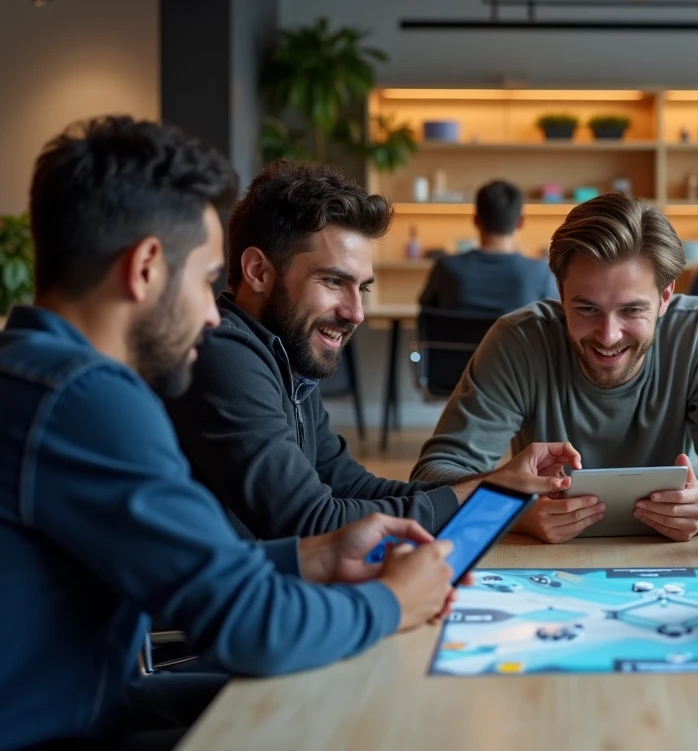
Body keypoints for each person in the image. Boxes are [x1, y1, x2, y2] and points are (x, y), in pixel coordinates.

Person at [0, 117, 466, 751]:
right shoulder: (86, 398)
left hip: (101, 704)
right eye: (201, 279)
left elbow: (196, 576)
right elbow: (252, 625)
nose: (207, 310)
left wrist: (316, 555)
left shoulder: (35, 374)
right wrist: (394, 601)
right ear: (145, 270)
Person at [166, 161, 578, 540]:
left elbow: (353, 487)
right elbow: (313, 523)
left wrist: (498, 483)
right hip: (192, 619)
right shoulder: (224, 354)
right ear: (258, 271)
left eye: (362, 288)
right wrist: (486, 494)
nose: (356, 313)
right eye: (332, 281)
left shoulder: (285, 359)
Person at [412, 193, 698, 544]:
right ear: (561, 292)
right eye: (586, 309)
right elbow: (433, 477)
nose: (608, 336)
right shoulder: (518, 340)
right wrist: (517, 513)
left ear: (665, 297)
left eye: (632, 311)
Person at [419, 179, 557, 313]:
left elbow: (427, 311)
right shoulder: (540, 272)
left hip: (458, 338)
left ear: (476, 220)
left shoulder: (446, 268)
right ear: (521, 222)